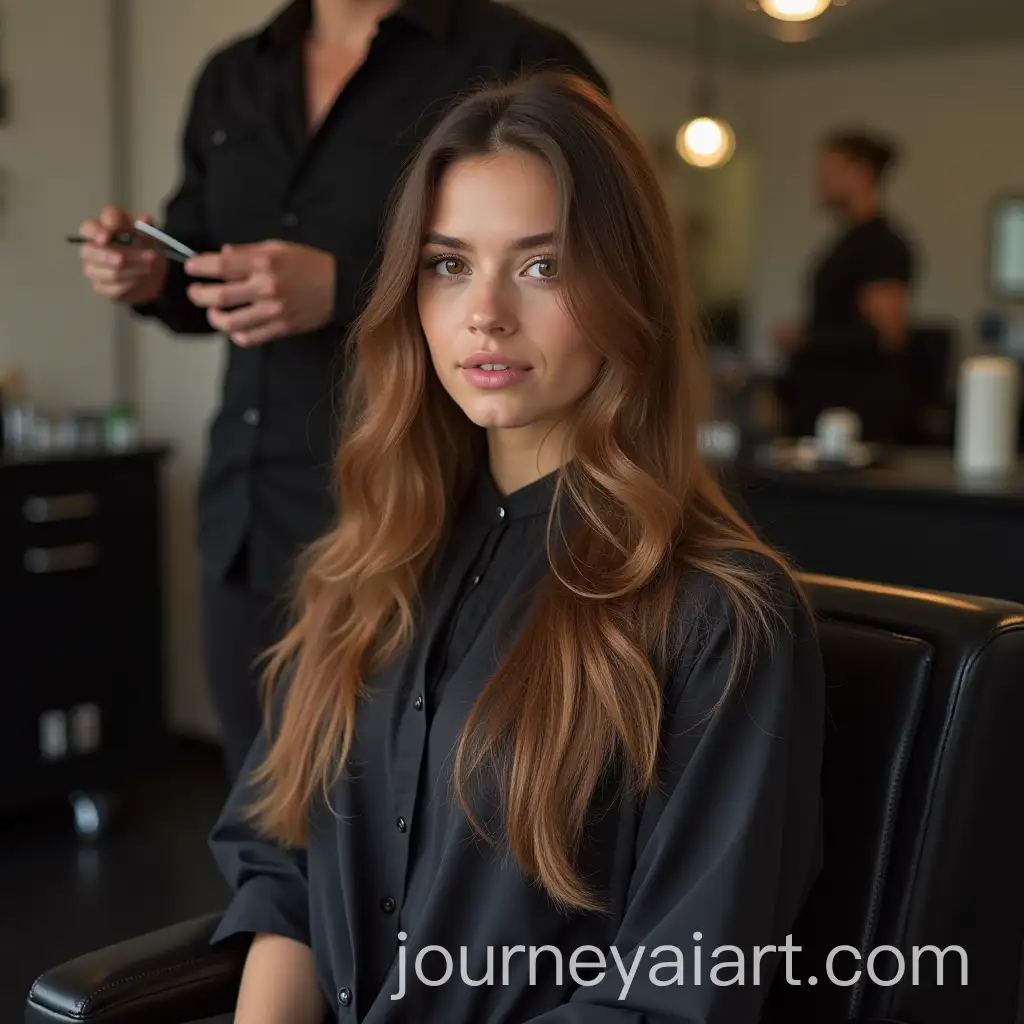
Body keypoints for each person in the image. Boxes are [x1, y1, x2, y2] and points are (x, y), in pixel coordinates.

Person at [207, 72, 826, 1024]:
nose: (485, 312)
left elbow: (675, 997)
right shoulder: (364, 569)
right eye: (448, 263)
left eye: (542, 266)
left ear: (627, 291)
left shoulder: (717, 616)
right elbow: (284, 867)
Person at [74, 0, 607, 781]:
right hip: (247, 514)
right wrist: (151, 274)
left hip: (420, 512)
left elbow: (591, 258)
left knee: (399, 807)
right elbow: (197, 254)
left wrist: (347, 284)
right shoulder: (233, 76)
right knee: (260, 816)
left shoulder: (517, 54)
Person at [774, 129, 916, 442]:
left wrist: (807, 339)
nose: (820, 182)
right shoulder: (847, 242)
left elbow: (887, 336)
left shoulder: (881, 246)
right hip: (822, 406)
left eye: (829, 172)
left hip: (853, 418)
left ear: (861, 173)